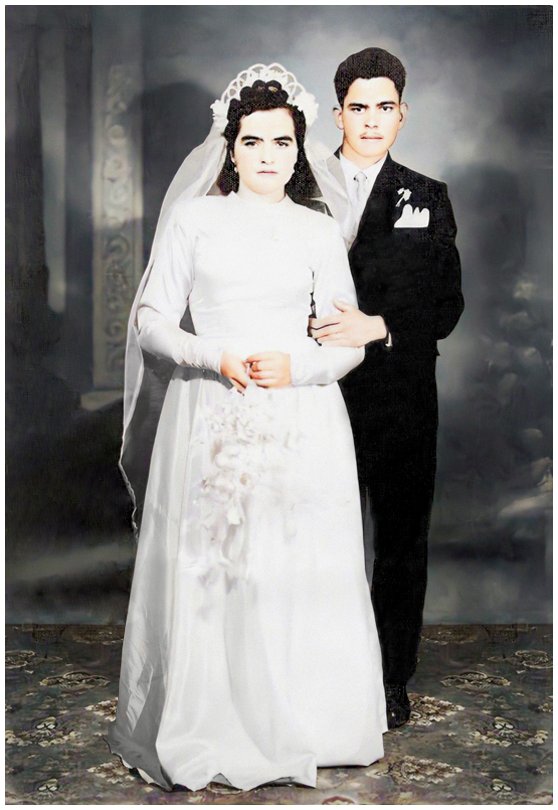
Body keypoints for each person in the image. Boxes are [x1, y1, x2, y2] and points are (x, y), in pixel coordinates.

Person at [108, 64, 386, 792]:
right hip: (211, 409)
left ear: (300, 150)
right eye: (253, 141)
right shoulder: (194, 221)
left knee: (292, 564)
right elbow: (150, 321)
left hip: (301, 415)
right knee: (219, 566)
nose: (268, 155)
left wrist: (297, 368)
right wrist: (214, 356)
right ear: (230, 148)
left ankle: (308, 720)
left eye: (282, 142)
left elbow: (349, 343)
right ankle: (213, 719)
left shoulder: (318, 230)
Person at [310, 48, 464, 728]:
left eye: (385, 107)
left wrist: (380, 326)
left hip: (402, 394)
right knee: (315, 533)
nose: (371, 120)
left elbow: (448, 305)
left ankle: (390, 678)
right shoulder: (298, 187)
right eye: (358, 107)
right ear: (337, 113)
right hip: (315, 392)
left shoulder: (428, 196)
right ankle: (316, 670)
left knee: (400, 539)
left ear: (403, 114)